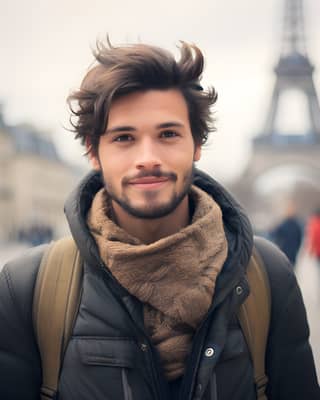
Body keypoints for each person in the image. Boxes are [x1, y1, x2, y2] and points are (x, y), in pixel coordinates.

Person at [0, 40, 319, 400]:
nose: (148, 157)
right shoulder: (26, 288)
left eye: (168, 134)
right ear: (93, 151)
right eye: (124, 138)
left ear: (197, 144)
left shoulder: (269, 276)